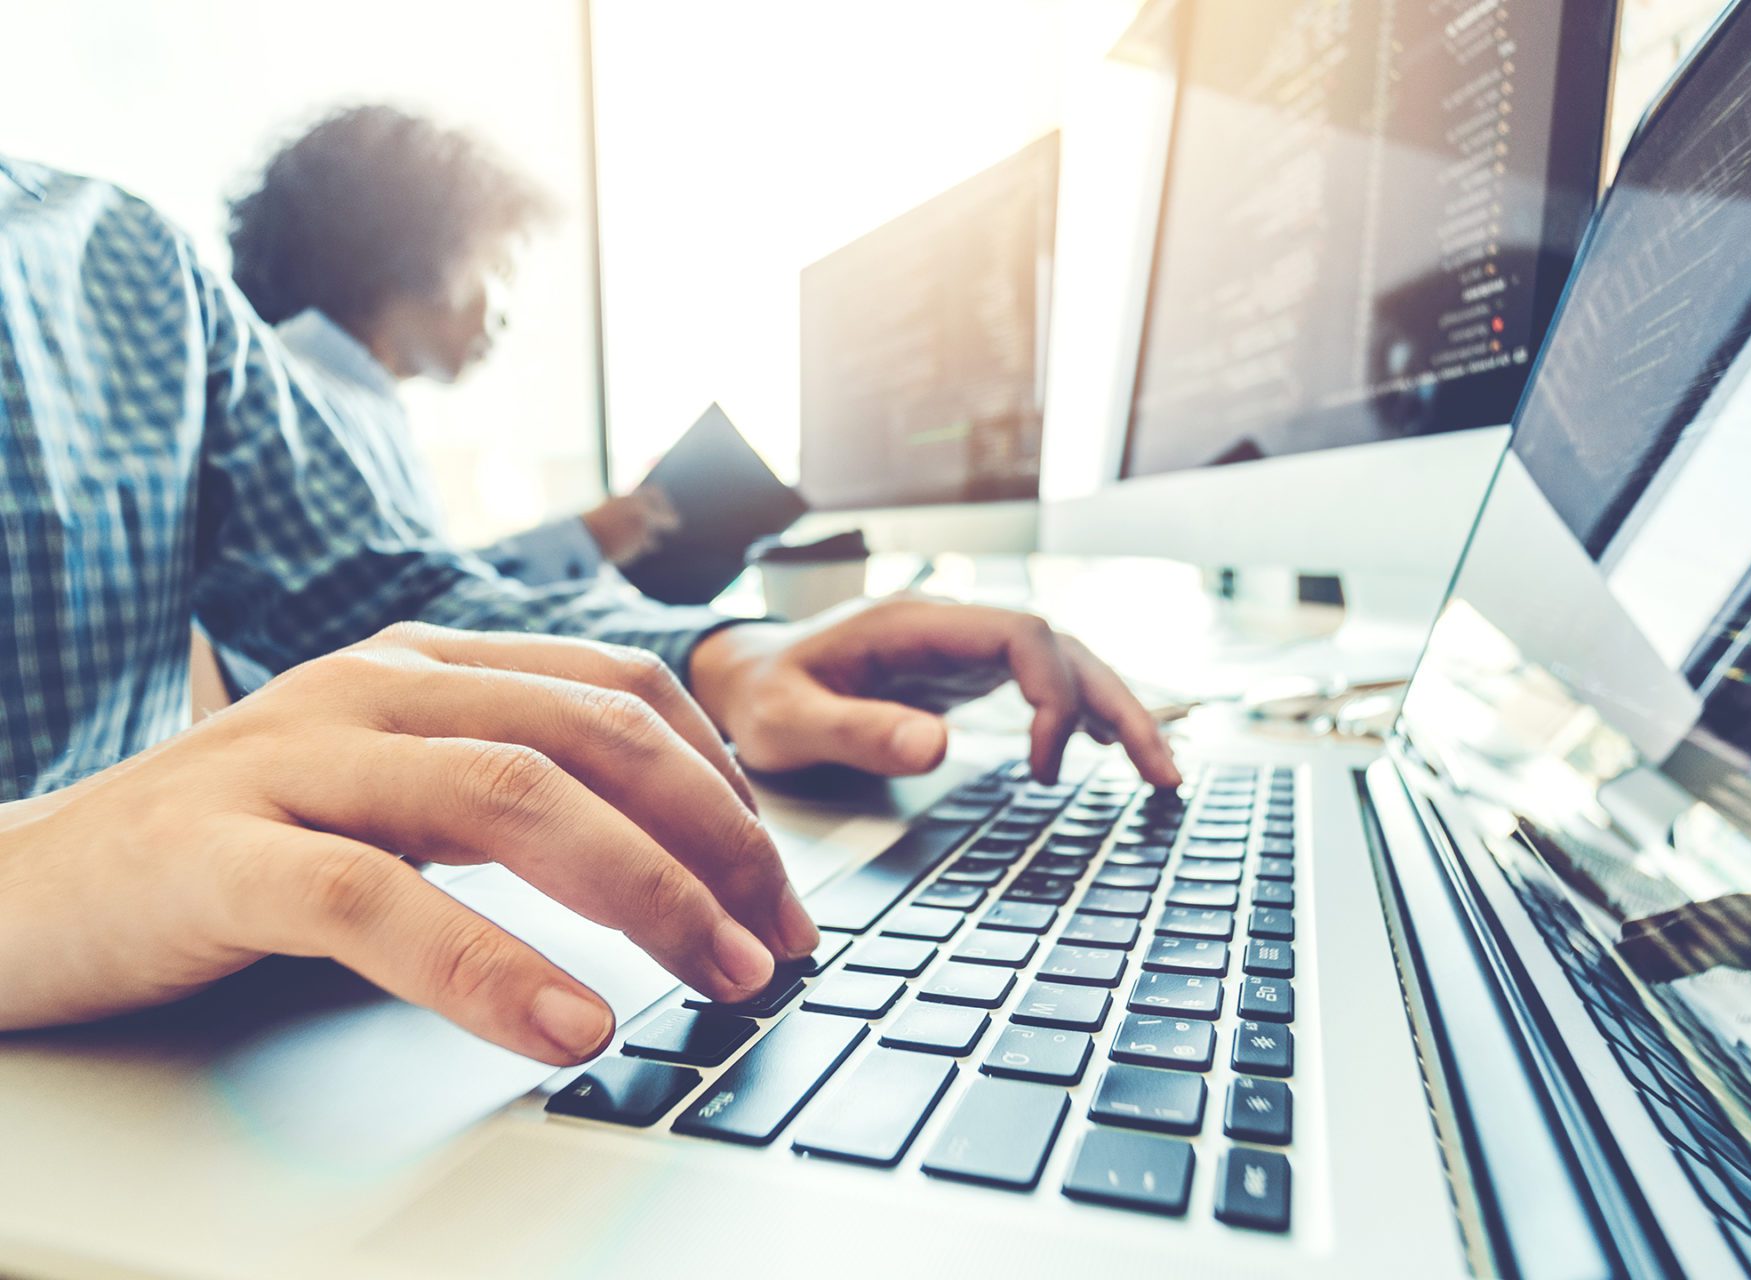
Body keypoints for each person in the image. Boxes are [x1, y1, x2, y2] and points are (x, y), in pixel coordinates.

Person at [0, 153, 1180, 1070]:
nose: (503, 307)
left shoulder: (124, 263)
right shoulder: (313, 363)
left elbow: (378, 594)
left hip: (160, 1067)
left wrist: (727, 659)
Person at [226, 103, 678, 585]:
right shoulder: (302, 402)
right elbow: (398, 609)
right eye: (498, 269)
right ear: (422, 248)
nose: (503, 313)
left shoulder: (347, 396)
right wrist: (583, 541)